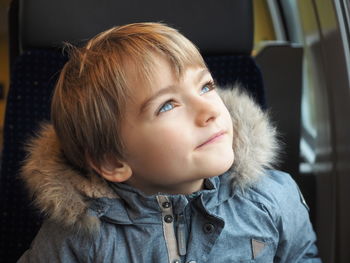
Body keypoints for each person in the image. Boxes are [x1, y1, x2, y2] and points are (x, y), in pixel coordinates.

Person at [18, 22, 322, 263]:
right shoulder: (78, 239)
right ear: (112, 161)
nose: (210, 112)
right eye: (167, 105)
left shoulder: (273, 199)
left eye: (206, 86)